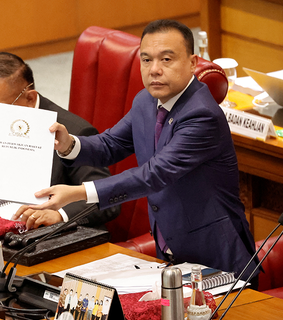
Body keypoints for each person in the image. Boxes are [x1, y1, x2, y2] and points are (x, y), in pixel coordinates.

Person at [30, 19, 258, 280]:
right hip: (170, 250)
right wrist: (68, 143)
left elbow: (154, 175)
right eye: (146, 60)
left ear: (193, 63)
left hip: (217, 256)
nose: (154, 70)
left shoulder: (202, 115)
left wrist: (78, 193)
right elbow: (110, 144)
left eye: (167, 59)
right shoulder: (146, 101)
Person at [0, 52, 120, 230]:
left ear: (30, 98)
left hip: (54, 234)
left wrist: (59, 215)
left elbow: (108, 201)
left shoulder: (76, 132)